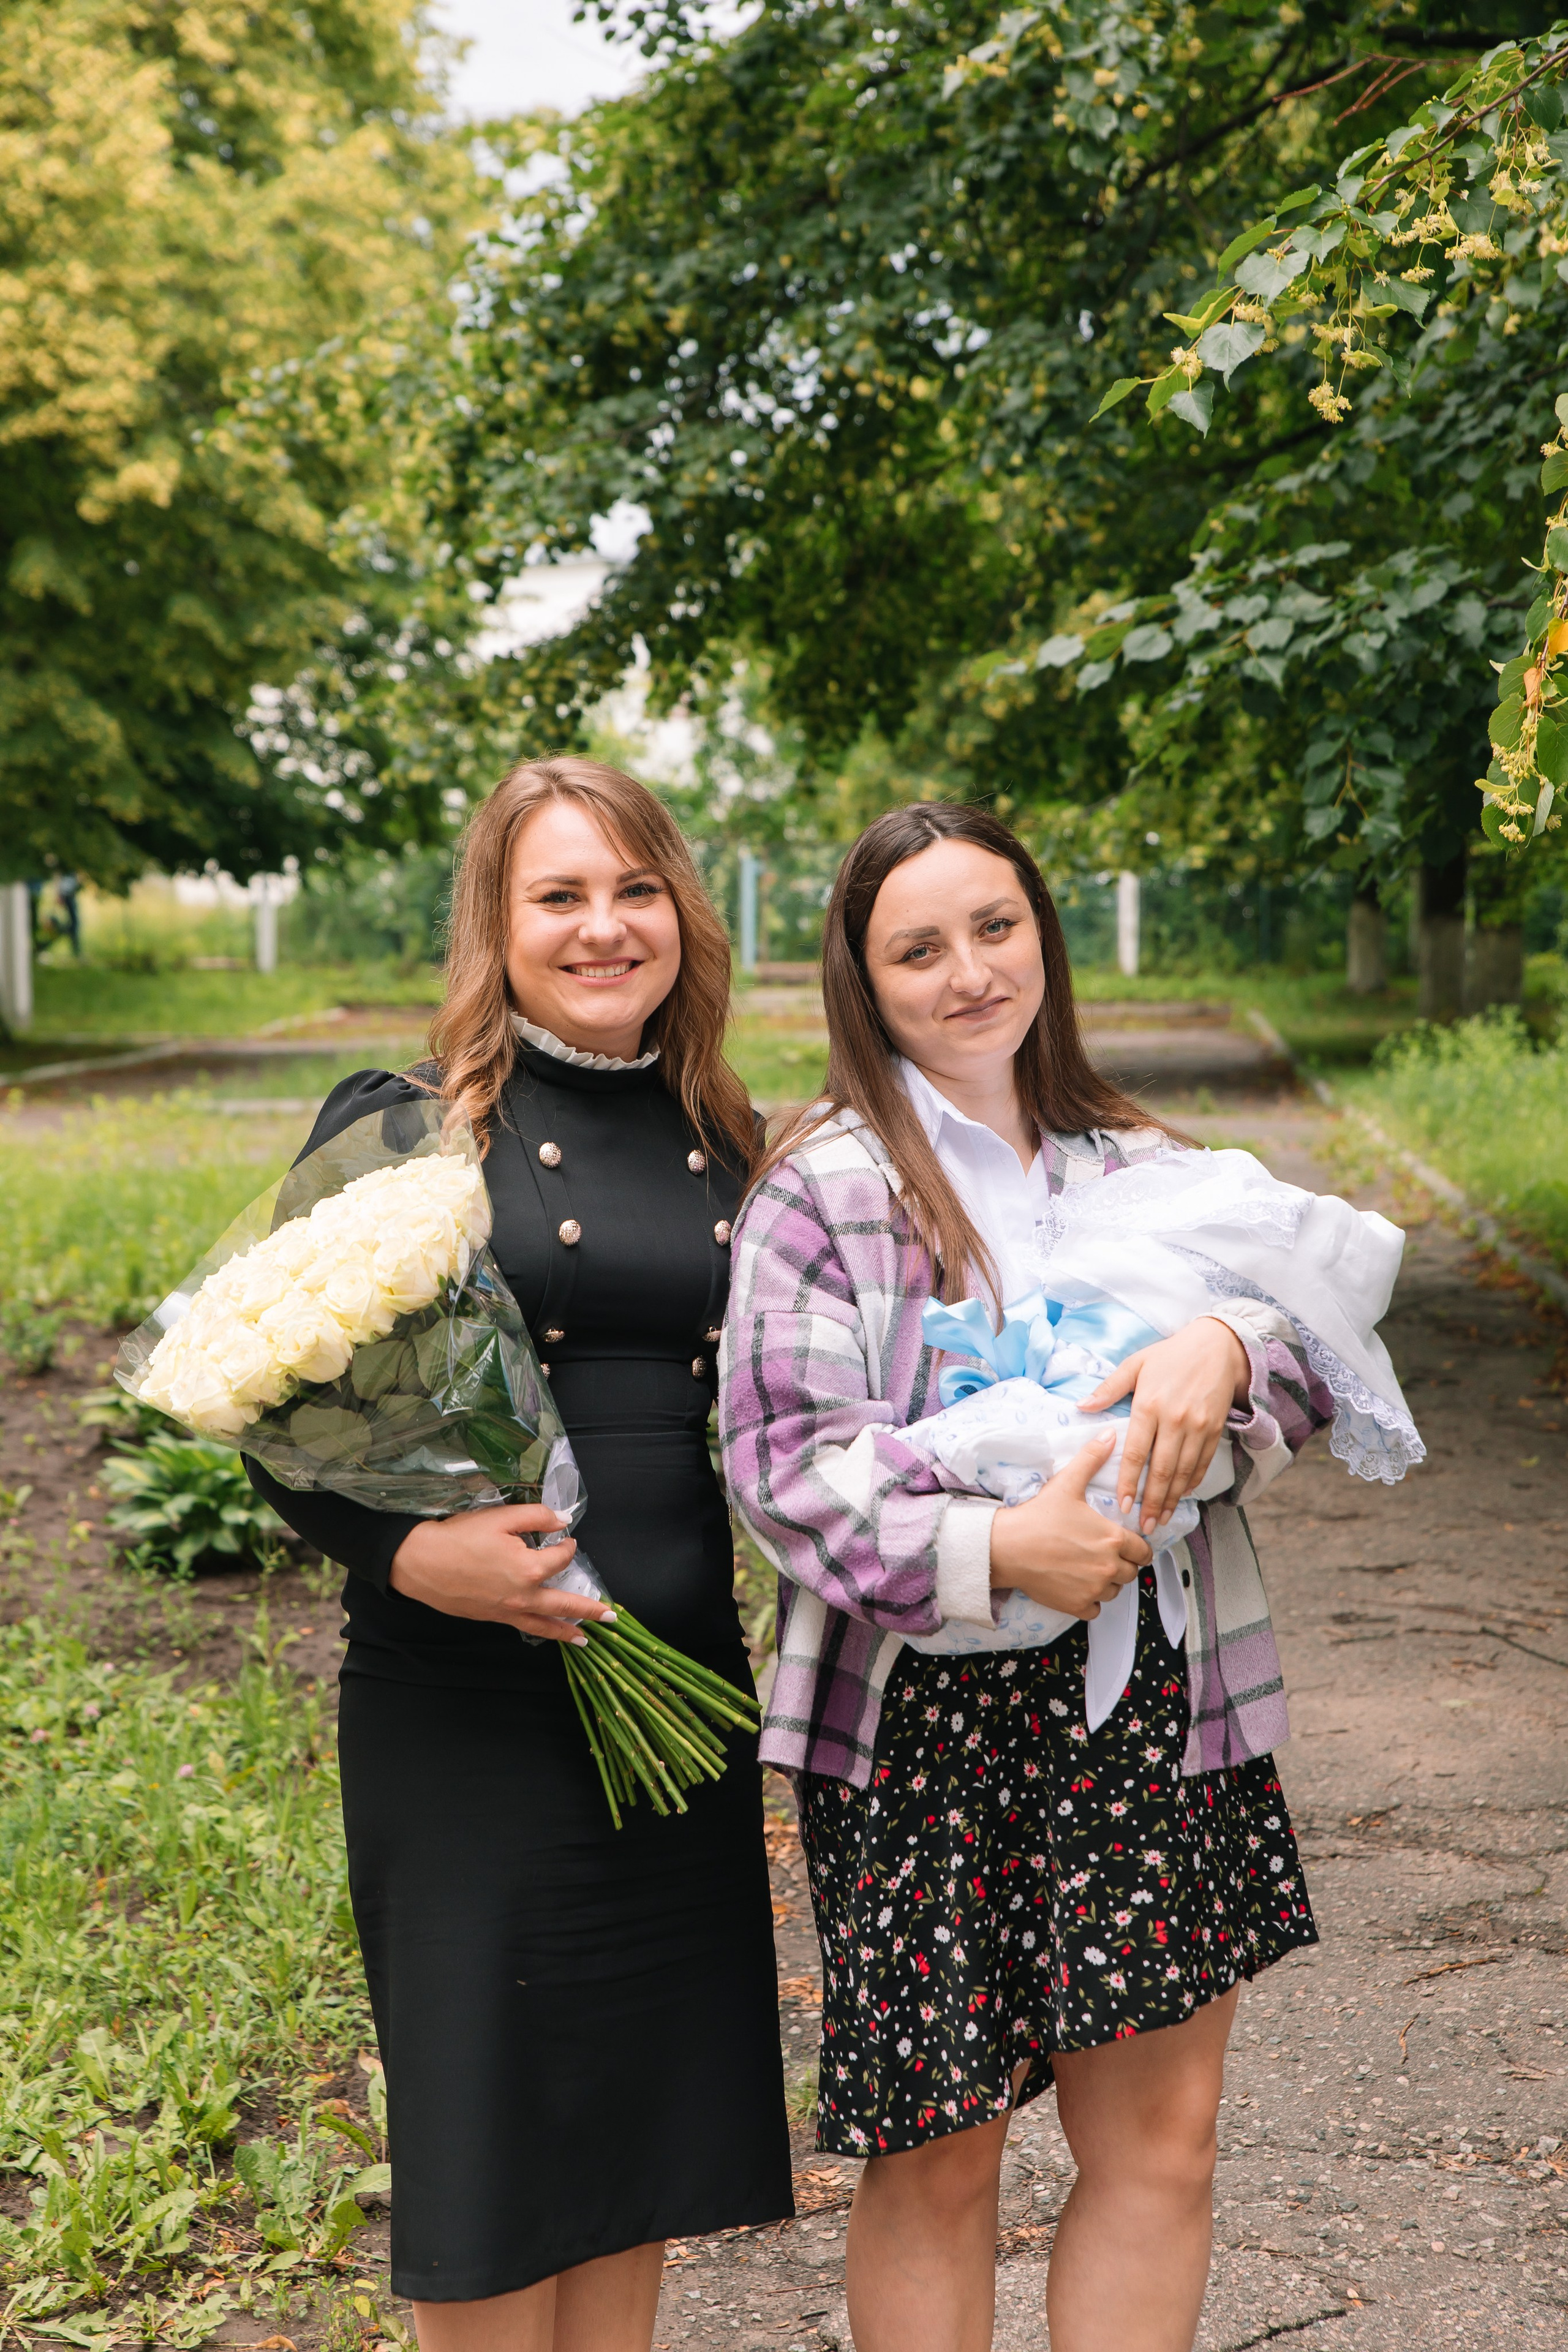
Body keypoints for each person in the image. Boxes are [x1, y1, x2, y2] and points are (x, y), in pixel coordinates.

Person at [720, 804, 1337, 2352]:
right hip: (923, 1732)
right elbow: (782, 1466)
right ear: (863, 985)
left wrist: (1227, 1348)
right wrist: (998, 1543)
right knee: (939, 2165)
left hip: (1149, 1711)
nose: (969, 971)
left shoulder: (1144, 1162)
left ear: (1042, 935)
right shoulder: (825, 1186)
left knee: (1159, 2144)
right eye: (915, 948)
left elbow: (1315, 1358)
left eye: (994, 927)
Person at [248, 758, 792, 2352]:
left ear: (682, 912)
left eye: (636, 891)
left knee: (635, 2154)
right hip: (465, 1718)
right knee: (491, 2169)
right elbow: (268, 1401)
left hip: (676, 1705)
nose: (604, 926)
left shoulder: (723, 1133)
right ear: (497, 919)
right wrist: (410, 1562)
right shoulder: (410, 1123)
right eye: (560, 894)